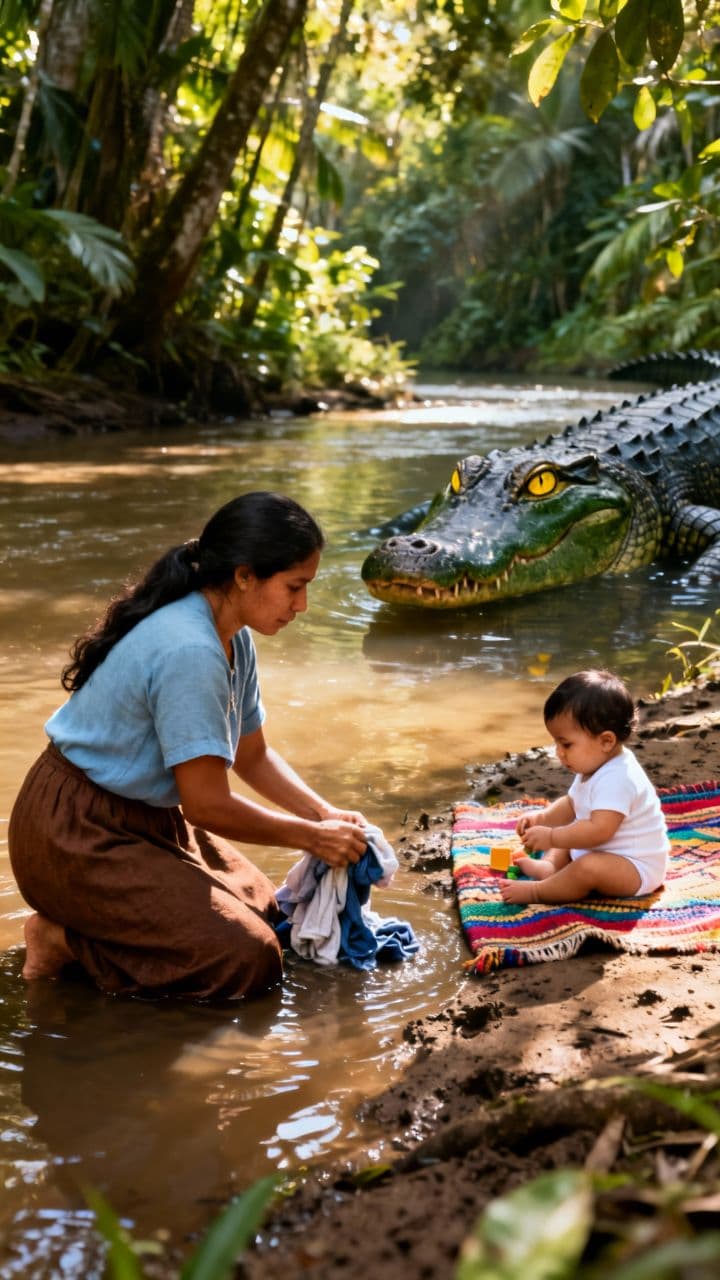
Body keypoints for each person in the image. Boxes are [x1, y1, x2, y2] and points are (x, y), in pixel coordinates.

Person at [9, 491, 370, 1000]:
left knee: (269, 913)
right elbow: (206, 805)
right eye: (294, 587)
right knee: (247, 960)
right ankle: (62, 940)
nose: (302, 605)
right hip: (74, 834)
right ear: (244, 575)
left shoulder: (233, 633)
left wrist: (325, 814)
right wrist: (312, 839)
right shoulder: (191, 649)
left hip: (144, 818)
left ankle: (93, 934)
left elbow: (253, 756)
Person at [500, 669, 669, 906]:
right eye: (556, 742)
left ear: (606, 741)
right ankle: (550, 868)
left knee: (586, 864)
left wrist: (551, 836)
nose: (558, 752)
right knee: (571, 830)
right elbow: (572, 803)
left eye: (566, 744)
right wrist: (542, 818)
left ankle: (538, 891)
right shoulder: (594, 764)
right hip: (604, 852)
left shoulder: (619, 778)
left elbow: (599, 831)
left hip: (635, 868)